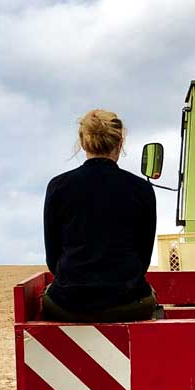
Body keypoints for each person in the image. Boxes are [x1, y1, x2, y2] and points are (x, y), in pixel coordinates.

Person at [41, 109, 158, 322]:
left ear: (83, 142)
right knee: (150, 299)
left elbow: (53, 258)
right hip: (128, 302)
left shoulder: (58, 186)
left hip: (68, 304)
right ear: (120, 143)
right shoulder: (141, 189)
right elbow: (143, 259)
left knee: (49, 297)